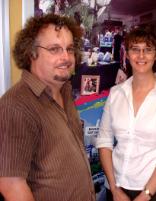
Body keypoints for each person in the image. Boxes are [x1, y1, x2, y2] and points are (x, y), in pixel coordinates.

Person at [0, 14, 95, 201]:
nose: (66, 57)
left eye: (69, 49)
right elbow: (11, 186)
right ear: (31, 53)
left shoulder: (65, 91)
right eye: (54, 49)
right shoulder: (16, 107)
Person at [96, 27, 156, 201]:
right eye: (135, 49)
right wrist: (114, 188)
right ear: (127, 55)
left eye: (148, 50)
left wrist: (144, 196)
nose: (141, 56)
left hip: (154, 191)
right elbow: (104, 141)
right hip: (116, 188)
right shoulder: (116, 93)